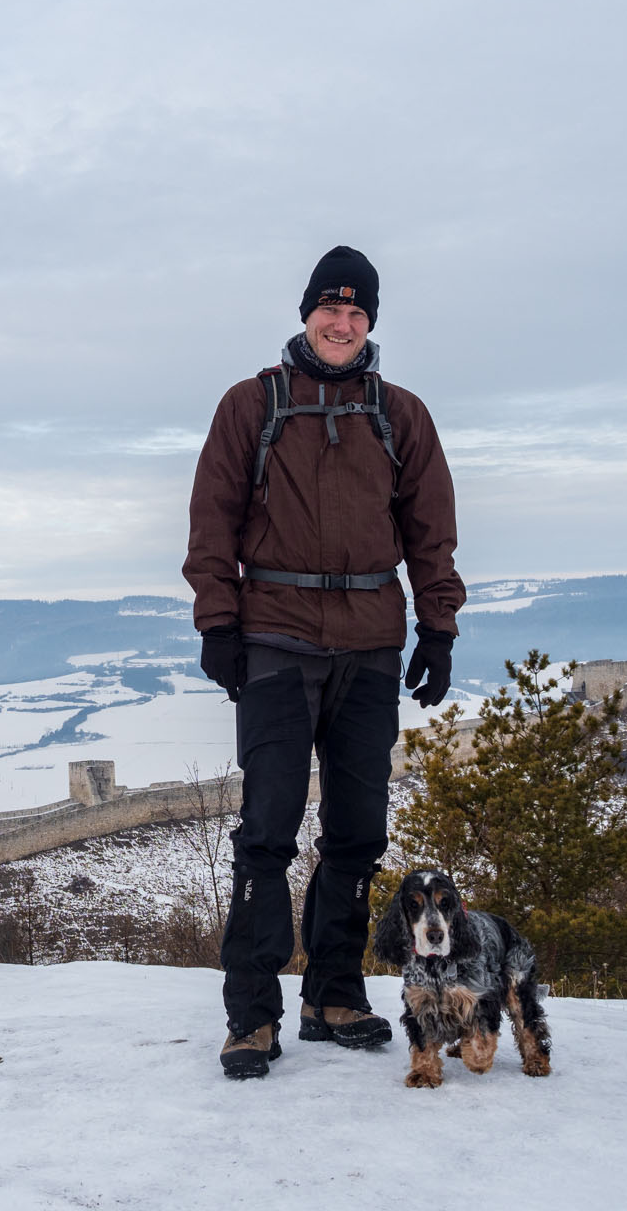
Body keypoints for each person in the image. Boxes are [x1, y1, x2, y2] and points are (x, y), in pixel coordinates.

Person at [183, 245, 464, 1079]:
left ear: (370, 322)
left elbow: (431, 530)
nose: (342, 325)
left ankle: (335, 994)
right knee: (265, 834)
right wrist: (218, 623)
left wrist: (438, 629)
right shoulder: (253, 404)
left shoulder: (399, 414)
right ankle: (252, 1016)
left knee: (357, 834)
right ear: (306, 313)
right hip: (274, 638)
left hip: (371, 644)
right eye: (329, 310)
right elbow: (212, 523)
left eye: (357, 313)